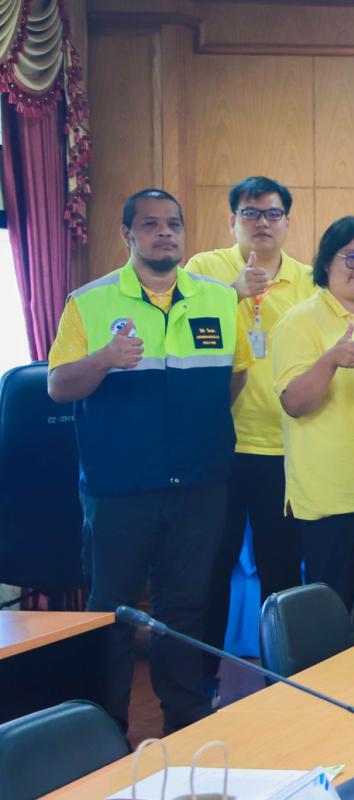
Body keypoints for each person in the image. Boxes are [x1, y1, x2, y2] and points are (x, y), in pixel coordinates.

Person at [47, 189, 250, 732]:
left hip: (200, 484)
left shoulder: (218, 299)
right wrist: (104, 360)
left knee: (185, 606)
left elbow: (234, 377)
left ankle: (183, 717)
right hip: (120, 488)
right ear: (127, 234)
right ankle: (105, 726)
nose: (164, 233)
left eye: (173, 224)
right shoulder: (89, 301)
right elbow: (58, 386)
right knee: (112, 610)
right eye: (151, 224)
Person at [184, 176, 314, 682]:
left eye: (273, 213)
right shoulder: (205, 269)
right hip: (220, 446)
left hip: (284, 448)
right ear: (232, 220)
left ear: (287, 222)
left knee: (281, 571)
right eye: (251, 213)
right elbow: (182, 326)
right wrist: (232, 295)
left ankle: (281, 681)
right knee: (210, 569)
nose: (263, 222)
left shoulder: (308, 279)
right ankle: (202, 684)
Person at [273, 217, 354, 615]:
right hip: (329, 494)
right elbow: (294, 404)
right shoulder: (300, 320)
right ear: (327, 261)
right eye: (352, 257)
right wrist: (329, 361)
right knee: (331, 610)